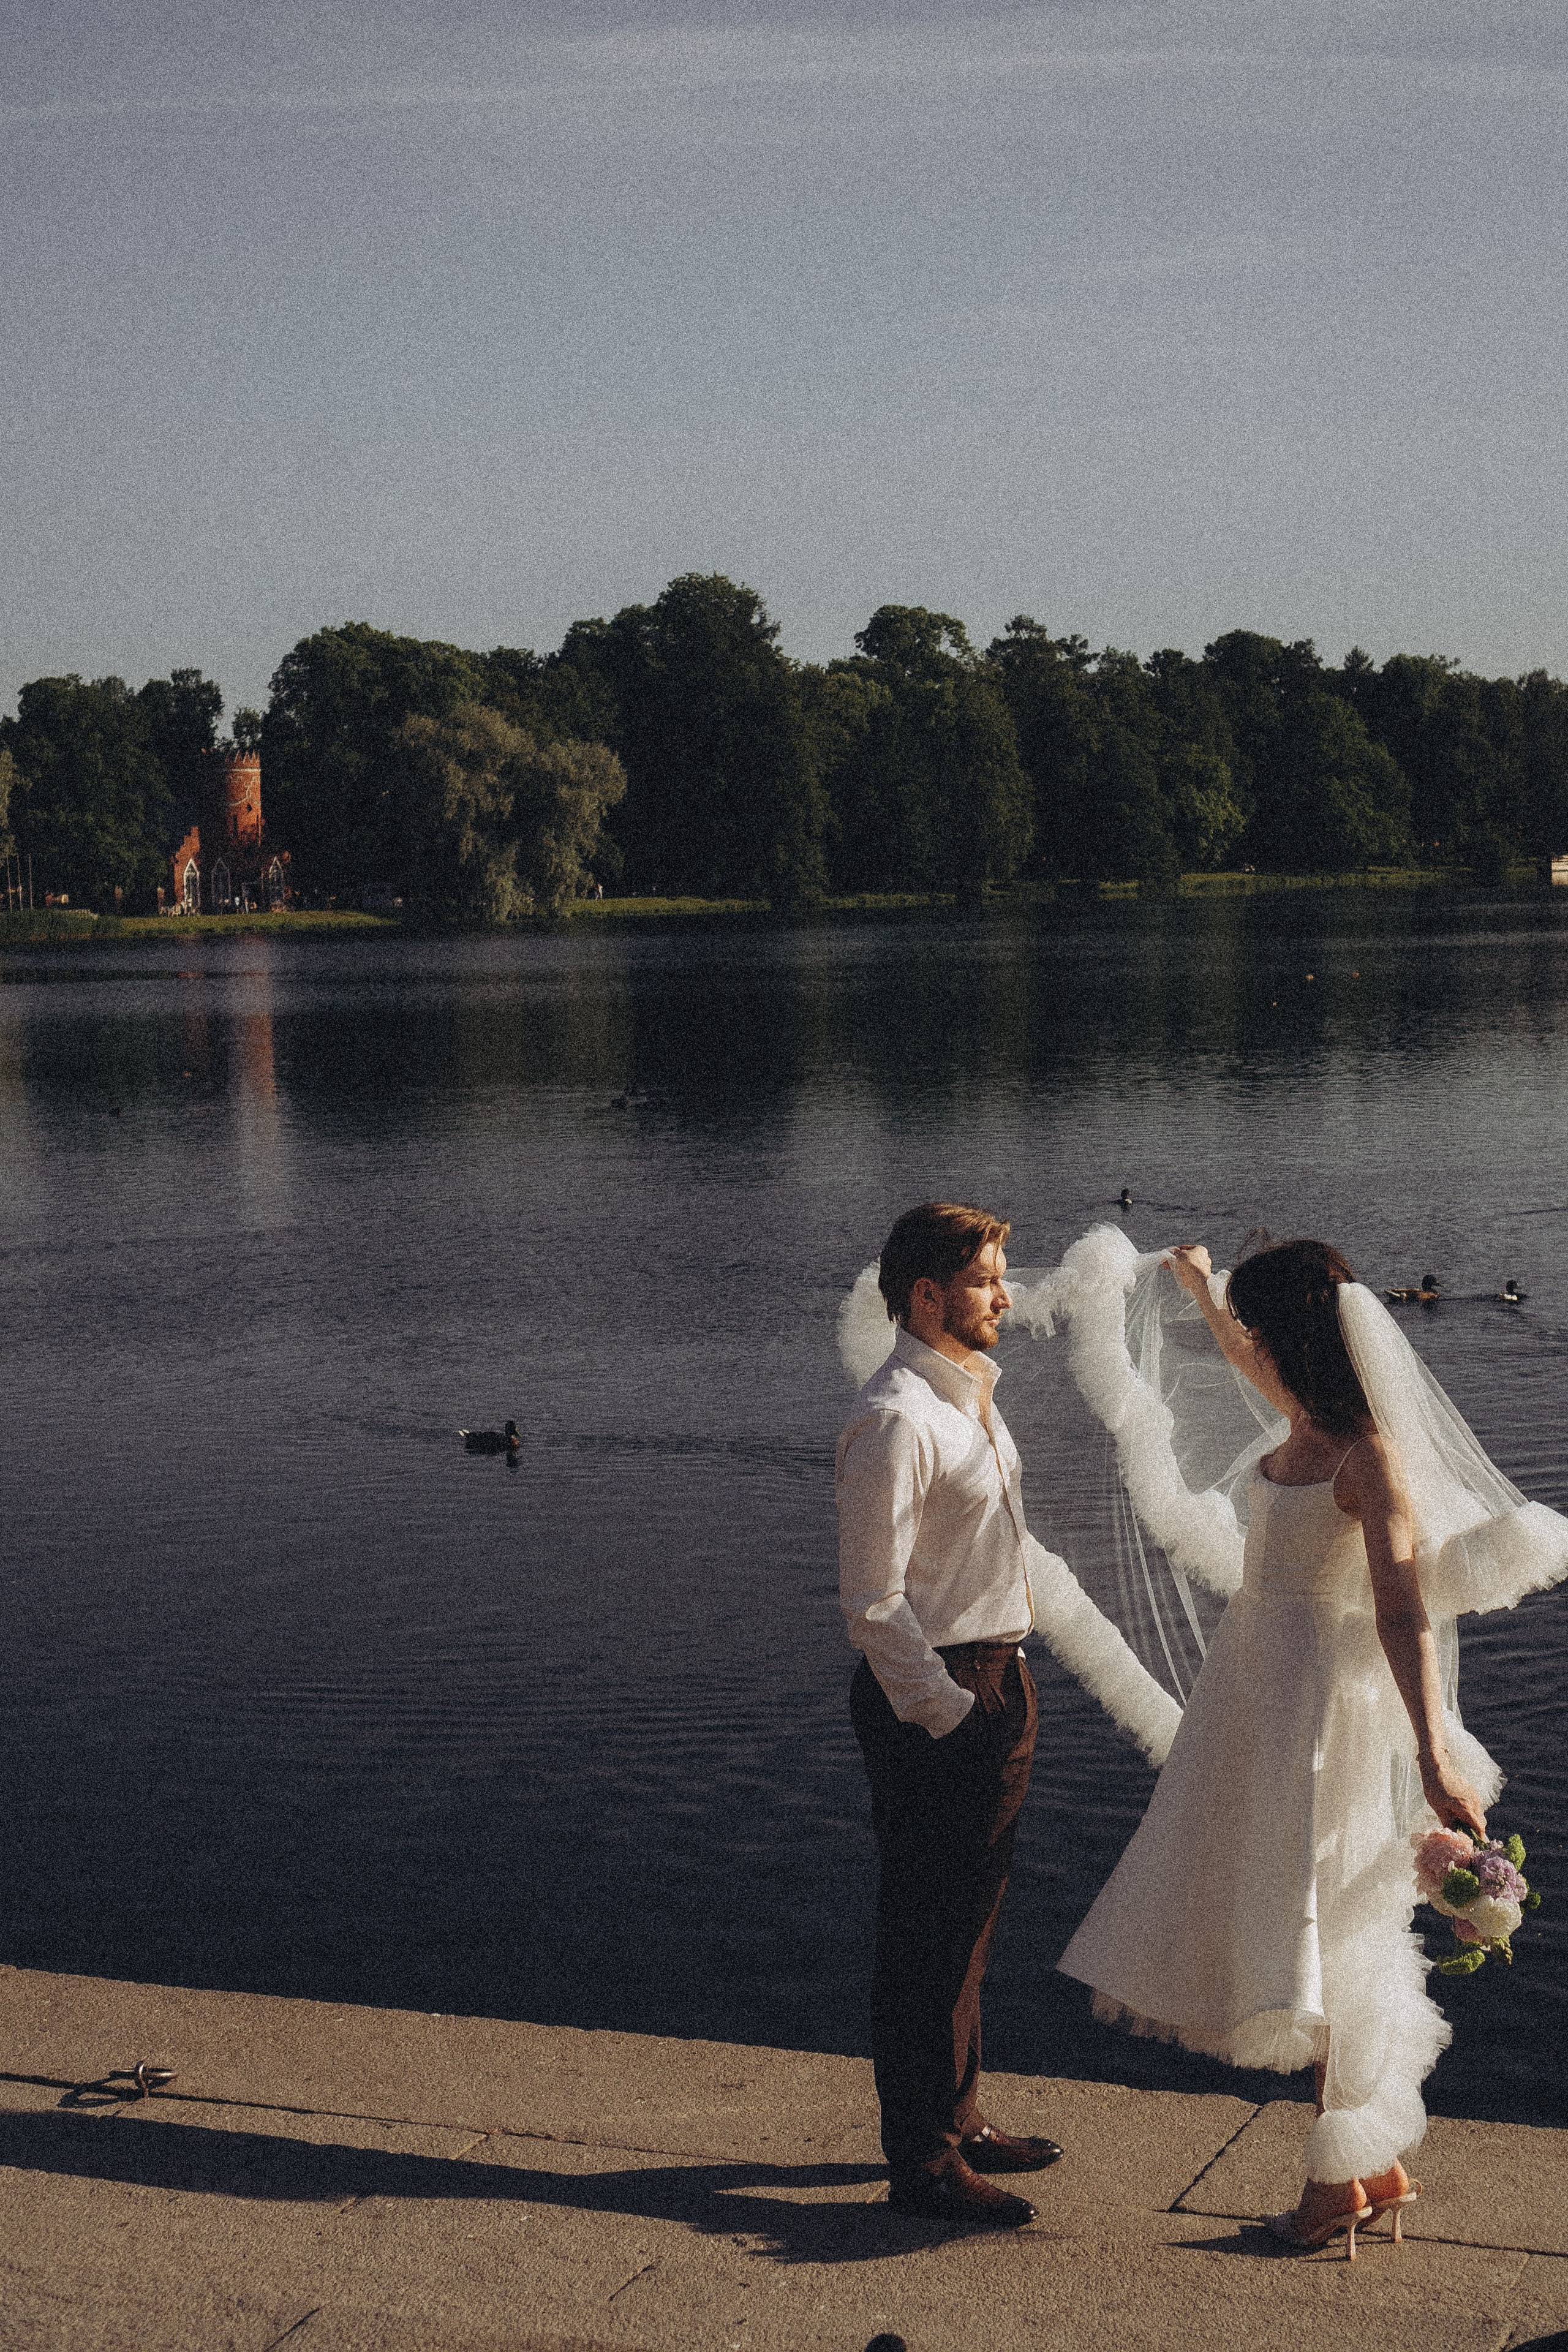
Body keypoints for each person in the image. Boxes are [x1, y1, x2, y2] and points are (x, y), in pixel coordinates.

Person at [1058, 1237, 1493, 2258]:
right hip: (1255, 1696)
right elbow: (1245, 1358)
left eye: (1259, 1326)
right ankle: (1369, 2169)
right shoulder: (1303, 1419)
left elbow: (1404, 1617)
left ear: (1295, 1335)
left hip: (1321, 1718)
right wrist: (1203, 1289)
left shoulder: (1366, 1455)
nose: (1245, 1344)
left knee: (1330, 1931)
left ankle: (1339, 2176)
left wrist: (1434, 1757)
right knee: (1287, 1917)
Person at [837, 1200, 1063, 2228]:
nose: (1005, 1296)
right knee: (926, 1932)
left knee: (969, 1924)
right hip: (938, 1694)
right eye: (985, 1280)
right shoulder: (896, 1421)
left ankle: (959, 2120)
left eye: (1000, 1276)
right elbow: (873, 1604)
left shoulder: (969, 1395)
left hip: (993, 1678)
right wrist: (952, 1715)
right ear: (926, 1296)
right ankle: (921, 2163)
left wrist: (1001, 1691)